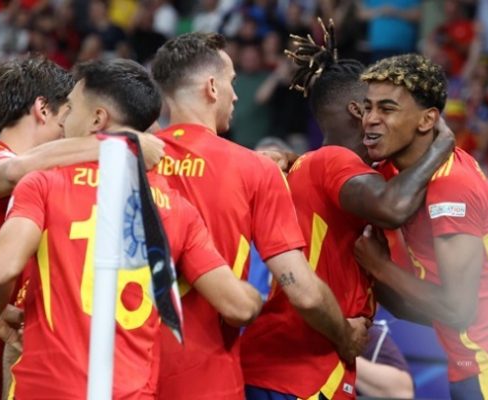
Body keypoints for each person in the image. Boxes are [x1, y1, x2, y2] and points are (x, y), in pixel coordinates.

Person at [0, 58, 262, 399]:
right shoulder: (176, 209)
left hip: (47, 389)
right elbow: (239, 307)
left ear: (97, 119)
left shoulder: (44, 185)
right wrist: (258, 296)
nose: (64, 118)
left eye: (71, 107)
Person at [0, 56, 164, 400]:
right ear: (43, 109)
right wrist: (118, 144)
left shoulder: (52, 182)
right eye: (67, 111)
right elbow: (14, 171)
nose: (70, 123)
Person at [150, 32, 370, 400]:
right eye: (232, 82)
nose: (236, 95)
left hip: (130, 370)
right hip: (207, 378)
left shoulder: (130, 161)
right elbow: (303, 292)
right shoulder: (252, 168)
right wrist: (346, 336)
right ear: (212, 87)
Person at [240, 21, 453, 400]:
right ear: (359, 111)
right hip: (292, 372)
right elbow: (393, 207)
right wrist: (442, 144)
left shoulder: (323, 168)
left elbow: (383, 290)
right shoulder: (334, 162)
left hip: (312, 370)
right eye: (379, 107)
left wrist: (453, 313)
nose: (386, 117)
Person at [354, 53, 488, 399]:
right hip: (475, 359)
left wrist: (380, 267)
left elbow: (458, 310)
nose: (371, 119)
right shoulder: (395, 169)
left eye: (387, 109)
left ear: (427, 120)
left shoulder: (453, 186)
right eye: (368, 107)